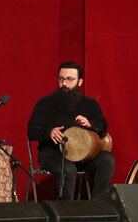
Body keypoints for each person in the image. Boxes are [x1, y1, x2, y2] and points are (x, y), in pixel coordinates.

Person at [27, 61, 115, 200]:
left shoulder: (90, 103)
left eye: (70, 79)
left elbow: (103, 125)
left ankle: (99, 207)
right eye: (61, 79)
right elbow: (31, 131)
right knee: (67, 169)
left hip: (83, 154)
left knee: (107, 159)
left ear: (80, 82)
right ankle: (66, 212)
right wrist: (49, 132)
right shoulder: (45, 103)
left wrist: (90, 124)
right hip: (52, 153)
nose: (64, 84)